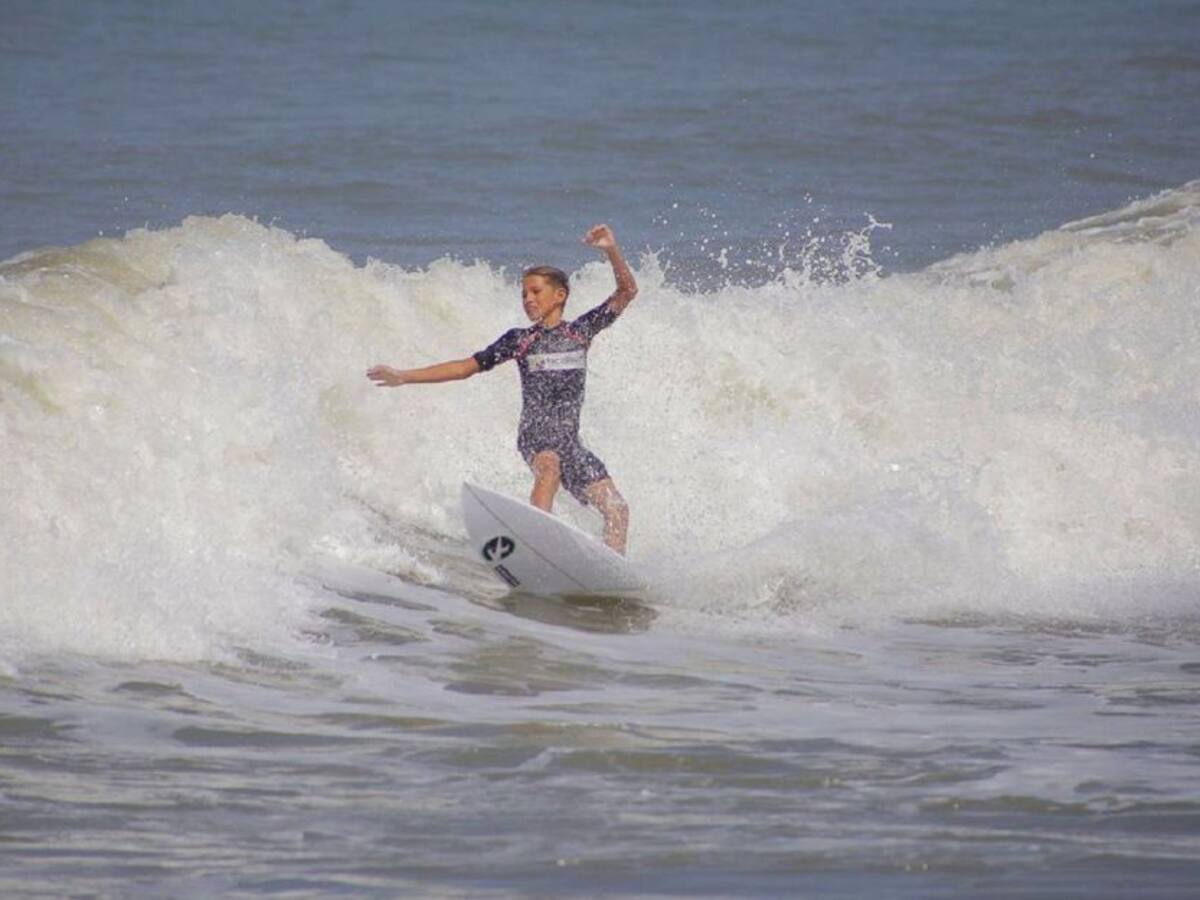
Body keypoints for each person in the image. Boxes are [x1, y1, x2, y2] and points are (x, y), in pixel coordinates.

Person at [367, 223, 639, 555]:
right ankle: (533, 548)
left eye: (536, 292)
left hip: (572, 442)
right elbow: (465, 367)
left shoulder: (580, 333)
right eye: (524, 293)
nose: (528, 299)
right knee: (549, 467)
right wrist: (404, 376)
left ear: (560, 295)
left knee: (617, 508)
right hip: (536, 436)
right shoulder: (519, 341)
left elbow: (626, 292)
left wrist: (611, 250)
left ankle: (609, 568)